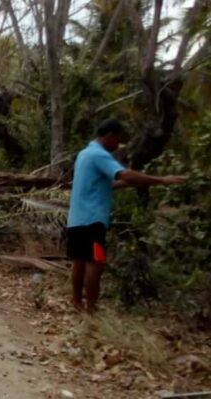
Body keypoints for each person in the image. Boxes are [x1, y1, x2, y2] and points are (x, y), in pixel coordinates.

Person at [66, 119, 186, 314]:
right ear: (110, 135)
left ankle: (77, 303)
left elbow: (109, 184)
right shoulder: (99, 154)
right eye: (117, 140)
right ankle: (91, 309)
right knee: (95, 262)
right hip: (93, 220)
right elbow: (125, 175)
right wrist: (163, 180)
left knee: (79, 260)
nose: (118, 145)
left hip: (77, 219)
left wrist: (141, 180)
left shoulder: (84, 154)